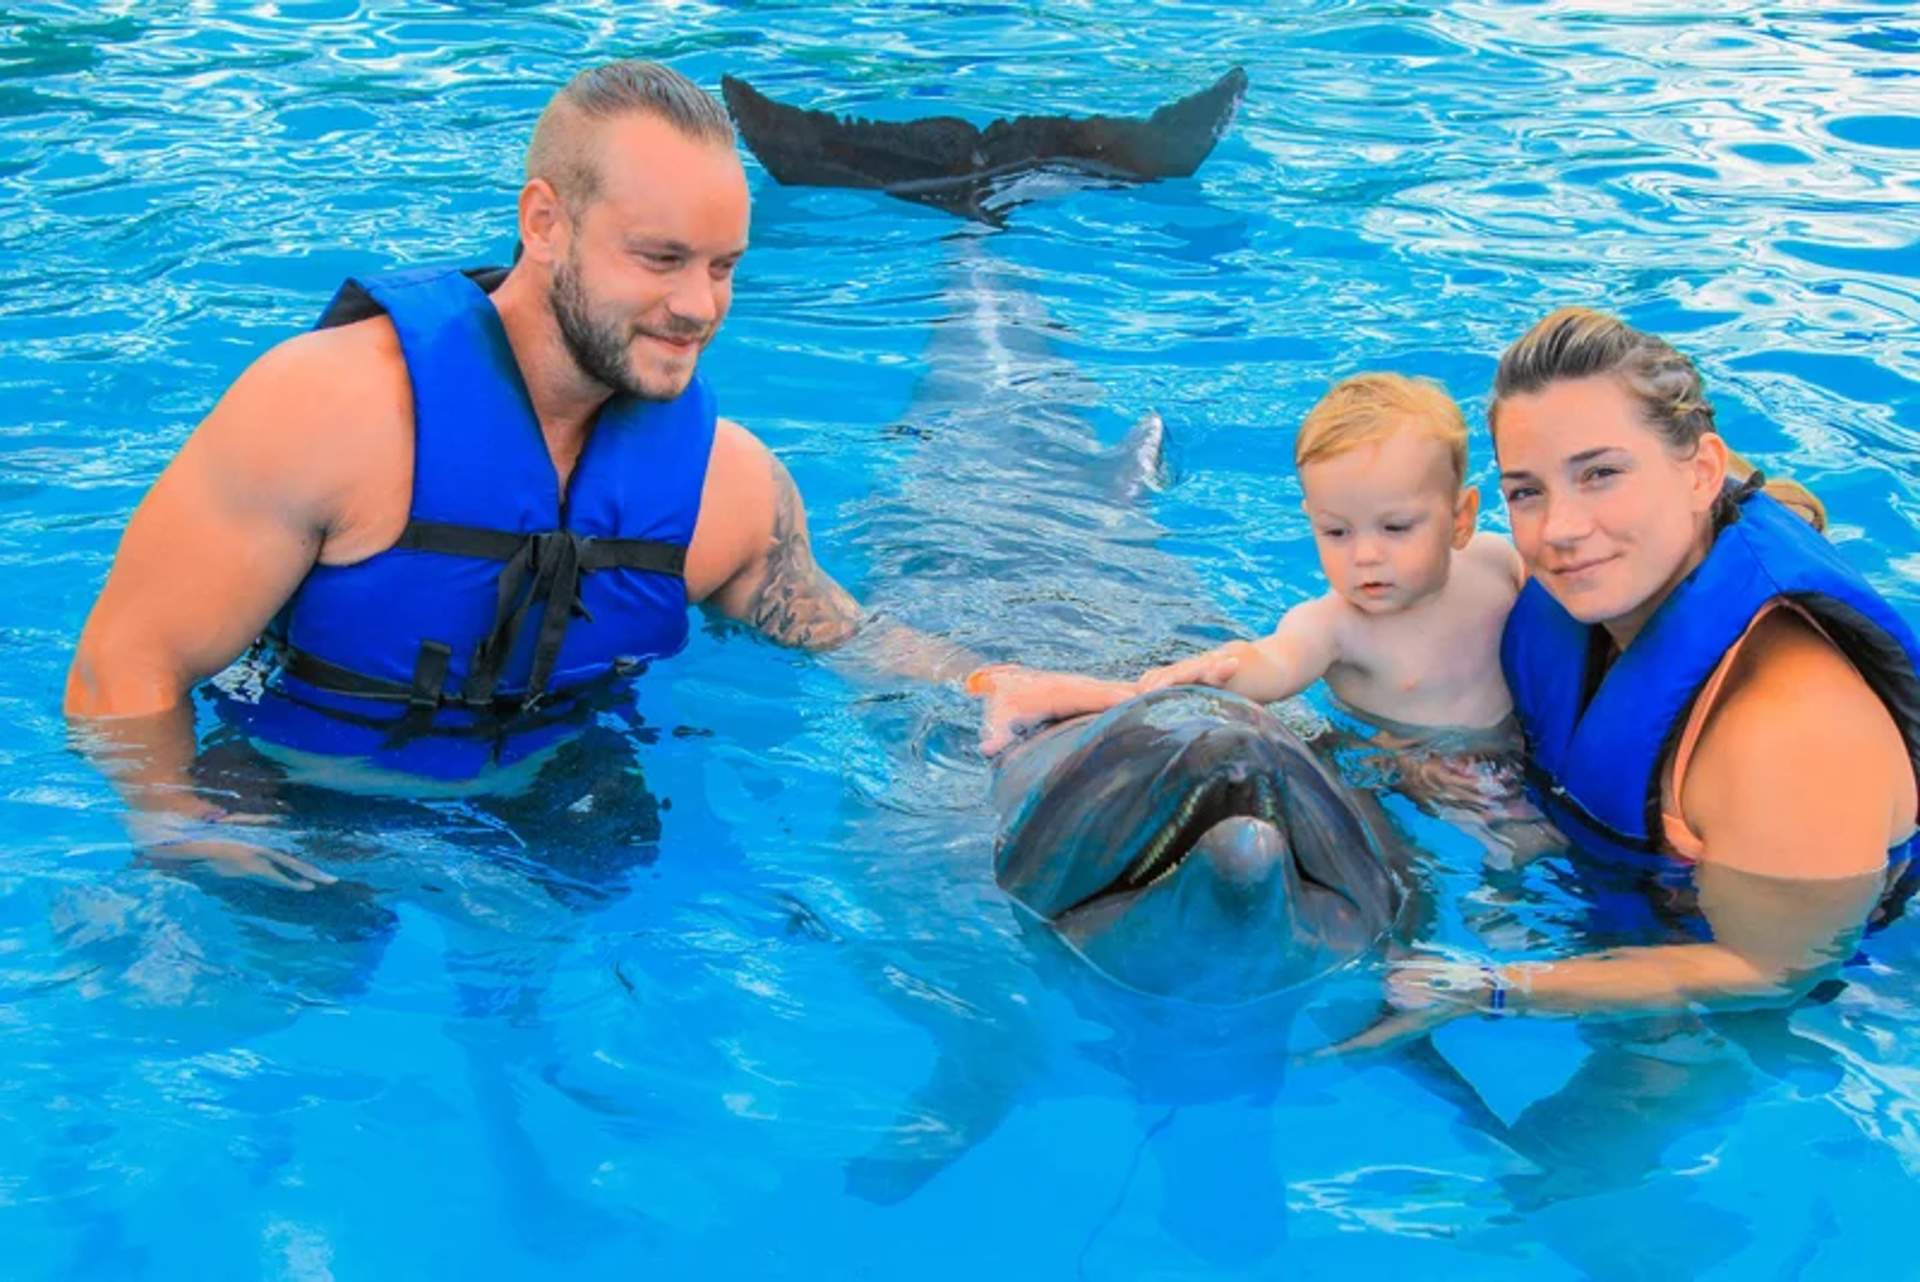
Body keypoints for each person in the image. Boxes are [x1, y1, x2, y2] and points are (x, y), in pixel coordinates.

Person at [64, 60, 973, 886]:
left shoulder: (727, 485)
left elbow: (847, 640)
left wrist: (994, 686)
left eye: (722, 267)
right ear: (545, 223)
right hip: (292, 804)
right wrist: (175, 824)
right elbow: (125, 666)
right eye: (660, 259)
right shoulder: (328, 414)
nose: (698, 307)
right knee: (265, 970)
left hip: (553, 802)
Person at [1366, 307, 1920, 1039]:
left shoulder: (1788, 730)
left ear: (1702, 474)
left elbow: (1776, 971)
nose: (1560, 528)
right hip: (1627, 883)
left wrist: (1492, 988)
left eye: (1600, 474)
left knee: (1578, 1152)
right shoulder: (1615, 573)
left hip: (1819, 990)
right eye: (1527, 491)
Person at [971, 372, 1526, 755]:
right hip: (1405, 770)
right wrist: (1190, 674)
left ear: (1461, 518)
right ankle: (1049, 688)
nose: (1365, 555)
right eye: (1336, 531)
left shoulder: (1496, 565)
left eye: (1396, 527)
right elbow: (1264, 667)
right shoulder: (1336, 626)